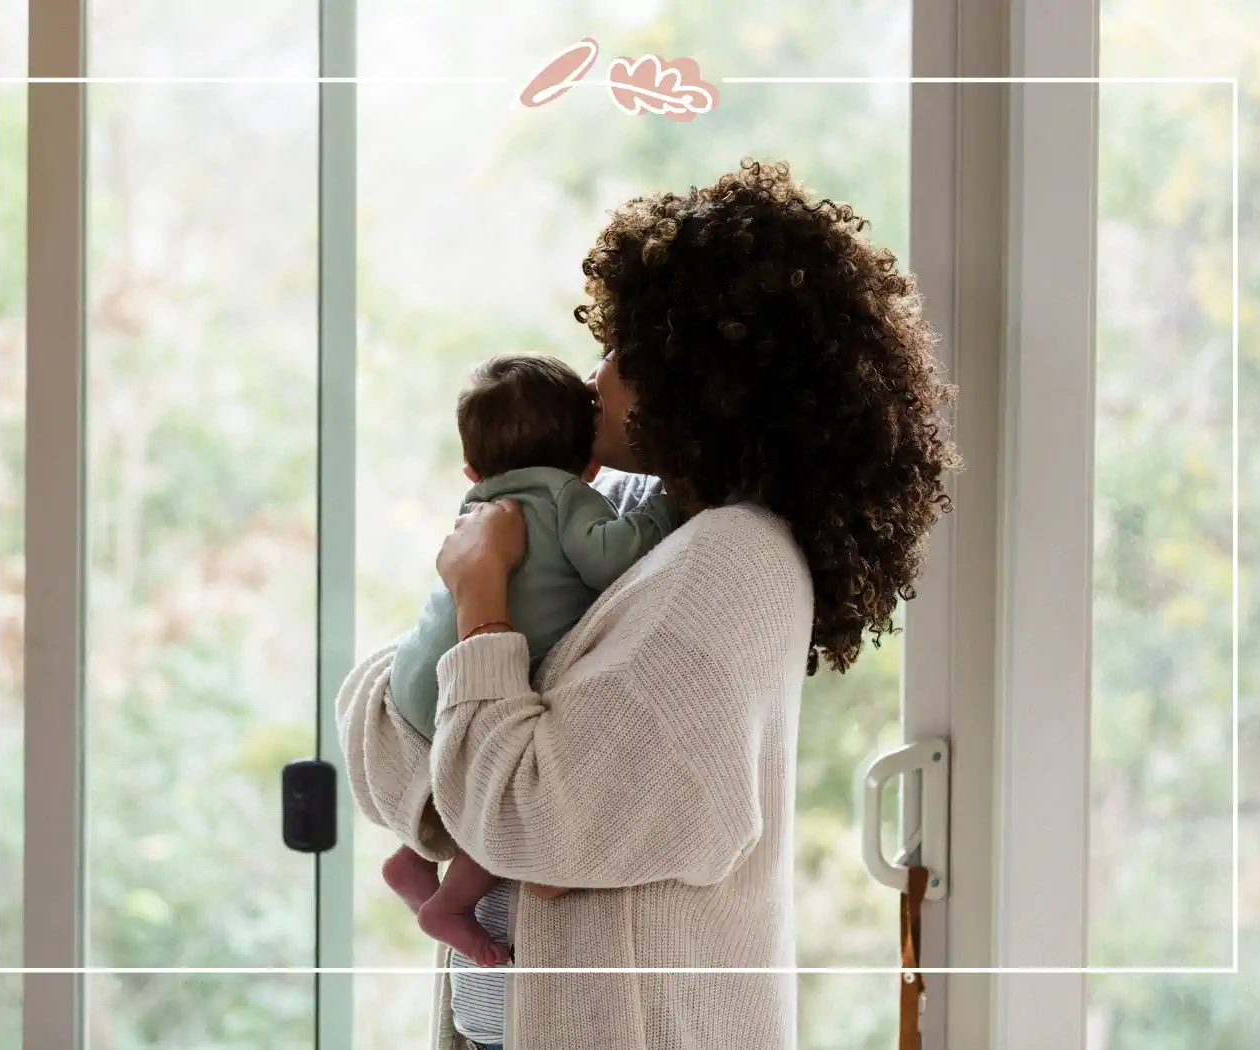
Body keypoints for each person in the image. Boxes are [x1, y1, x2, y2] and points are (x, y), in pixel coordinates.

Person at [336, 159, 961, 1050]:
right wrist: (481, 795)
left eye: (627, 348)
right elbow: (379, 725)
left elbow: (521, 815)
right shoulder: (630, 526)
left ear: (707, 378)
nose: (598, 373)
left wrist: (479, 601)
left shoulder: (731, 566)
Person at [382, 353, 677, 968]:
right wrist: (663, 509)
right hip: (477, 676)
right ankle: (451, 904)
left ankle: (413, 858)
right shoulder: (569, 494)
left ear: (471, 467)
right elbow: (607, 559)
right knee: (497, 795)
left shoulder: (478, 502)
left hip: (415, 675)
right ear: (589, 464)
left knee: (454, 775)